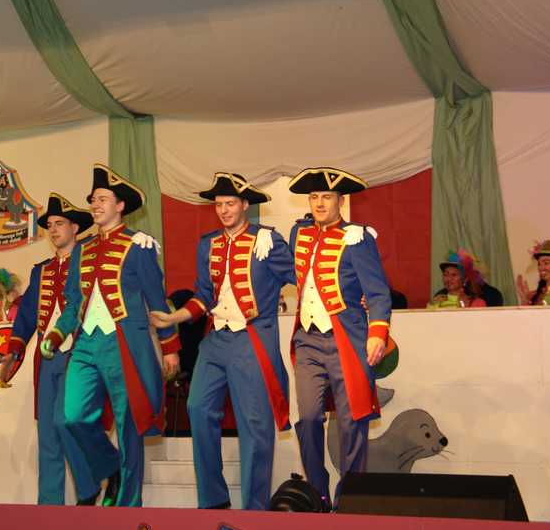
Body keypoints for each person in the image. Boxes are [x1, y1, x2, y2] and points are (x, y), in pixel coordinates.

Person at [150, 172, 295, 510]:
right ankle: (213, 500)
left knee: (255, 424)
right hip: (216, 338)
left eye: (230, 203)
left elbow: (303, 274)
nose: (224, 210)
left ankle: (255, 508)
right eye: (219, 205)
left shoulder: (266, 240)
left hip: (251, 338)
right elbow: (203, 296)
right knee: (198, 407)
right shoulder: (208, 244)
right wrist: (173, 318)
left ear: (245, 205)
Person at [40, 164, 181, 507]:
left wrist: (170, 346)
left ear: (120, 205)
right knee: (71, 416)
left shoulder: (138, 245)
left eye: (102, 198)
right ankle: (111, 467)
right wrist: (57, 334)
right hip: (87, 343)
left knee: (128, 425)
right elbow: (73, 302)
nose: (95, 204)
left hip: (125, 344)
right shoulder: (83, 249)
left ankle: (128, 505)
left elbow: (157, 299)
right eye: (93, 199)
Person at [286, 167, 391, 507]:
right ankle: (317, 494)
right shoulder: (298, 233)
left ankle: (350, 499)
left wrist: (377, 332)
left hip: (346, 340)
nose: (319, 203)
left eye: (327, 197)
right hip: (307, 340)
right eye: (314, 197)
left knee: (351, 422)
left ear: (341, 201)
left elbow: (377, 292)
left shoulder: (357, 237)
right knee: (308, 418)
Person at [0, 193, 101, 505]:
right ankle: (49, 505)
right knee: (48, 434)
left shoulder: (89, 262)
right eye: (50, 225)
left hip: (79, 355)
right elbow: (27, 316)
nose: (53, 230)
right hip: (47, 358)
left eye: (59, 224)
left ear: (75, 228)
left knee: (65, 421)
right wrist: (14, 350)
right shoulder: (40, 270)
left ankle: (88, 492)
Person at [516, 239, 550, 306]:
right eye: (539, 264)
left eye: (546, 263)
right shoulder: (537, 293)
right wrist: (525, 302)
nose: (541, 268)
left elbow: (548, 310)